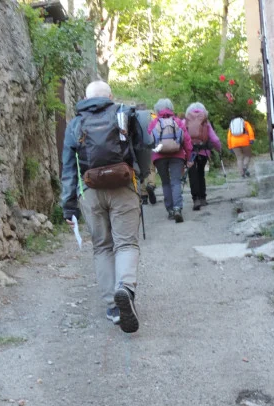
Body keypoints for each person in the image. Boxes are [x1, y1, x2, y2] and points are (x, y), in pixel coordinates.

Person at [60, 81, 141, 333]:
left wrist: (69, 206)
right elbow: (141, 148)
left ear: (85, 99)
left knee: (103, 247)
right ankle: (124, 288)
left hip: (90, 192)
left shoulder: (75, 124)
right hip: (123, 187)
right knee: (125, 243)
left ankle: (113, 307)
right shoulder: (124, 115)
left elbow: (68, 168)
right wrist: (143, 176)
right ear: (110, 96)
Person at [148, 99, 193, 223]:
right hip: (177, 155)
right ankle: (178, 208)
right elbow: (187, 141)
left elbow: (148, 141)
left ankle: (170, 210)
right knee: (176, 182)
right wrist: (189, 158)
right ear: (171, 108)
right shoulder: (177, 121)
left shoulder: (154, 123)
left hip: (159, 157)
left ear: (157, 110)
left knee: (165, 182)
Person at [184, 102, 222, 210]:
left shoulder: (185, 121)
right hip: (203, 151)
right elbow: (215, 139)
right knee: (201, 173)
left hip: (190, 152)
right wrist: (219, 149)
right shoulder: (205, 122)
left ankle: (195, 199)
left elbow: (181, 136)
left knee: (192, 175)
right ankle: (203, 198)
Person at [135, 106, 157, 205]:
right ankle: (151, 185)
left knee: (141, 170)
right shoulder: (152, 115)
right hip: (150, 144)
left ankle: (143, 196)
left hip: (138, 147)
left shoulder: (134, 116)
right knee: (151, 168)